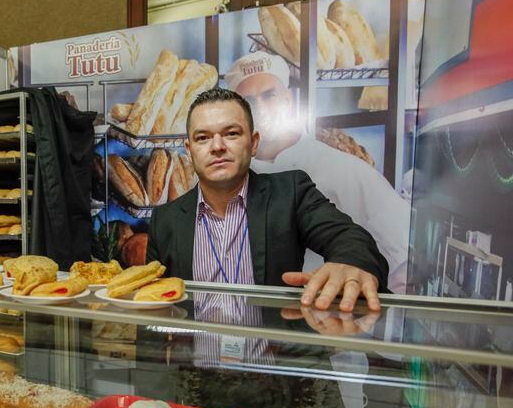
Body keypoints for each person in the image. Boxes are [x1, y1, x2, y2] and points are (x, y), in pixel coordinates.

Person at [146, 87, 388, 312]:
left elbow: (347, 236)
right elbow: (152, 305)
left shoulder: (290, 193)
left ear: (253, 143)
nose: (217, 146)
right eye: (202, 138)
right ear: (189, 150)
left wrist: (350, 263)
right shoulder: (164, 220)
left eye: (231, 134)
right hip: (192, 357)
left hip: (270, 356)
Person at [223, 52, 410, 293]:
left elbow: (403, 263)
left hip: (327, 320)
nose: (259, 108)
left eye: (269, 95)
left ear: (289, 100)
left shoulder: (345, 171)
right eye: (247, 101)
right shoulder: (227, 181)